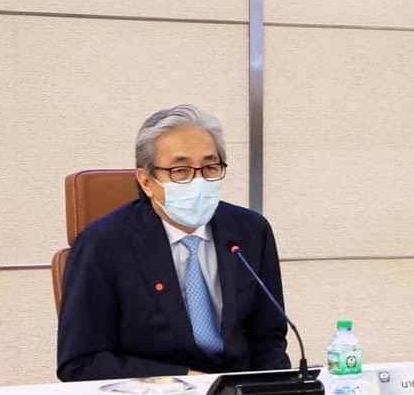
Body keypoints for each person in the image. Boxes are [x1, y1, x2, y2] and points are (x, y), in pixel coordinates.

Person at [57, 104, 291, 380]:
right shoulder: (102, 245)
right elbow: (80, 362)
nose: (198, 181)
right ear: (146, 181)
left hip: (238, 392)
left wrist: (273, 390)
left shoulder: (250, 231)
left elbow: (268, 338)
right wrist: (181, 379)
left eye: (210, 167)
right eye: (180, 171)